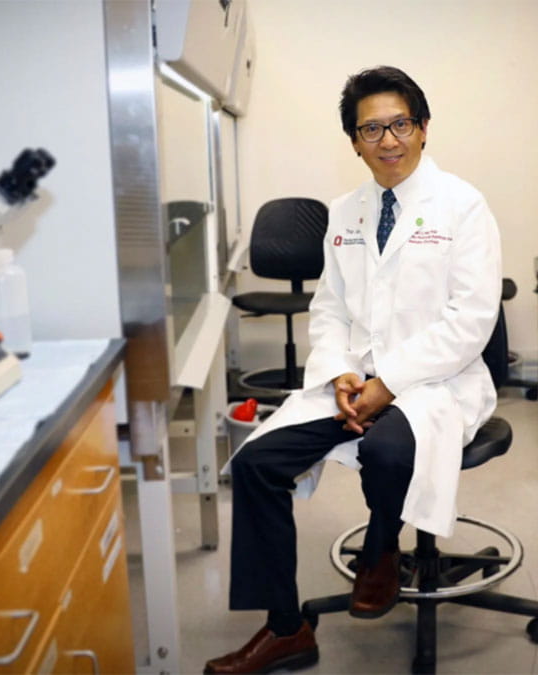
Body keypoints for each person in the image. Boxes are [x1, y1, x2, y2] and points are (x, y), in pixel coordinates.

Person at [205, 65, 502, 674]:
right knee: (258, 465)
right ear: (354, 141)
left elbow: (471, 320)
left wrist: (389, 383)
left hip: (434, 382)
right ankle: (286, 630)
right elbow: (331, 308)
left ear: (422, 129)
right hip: (353, 383)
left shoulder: (463, 206)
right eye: (372, 129)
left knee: (389, 451)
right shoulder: (345, 212)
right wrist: (341, 372)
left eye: (400, 124)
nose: (388, 140)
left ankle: (381, 546)